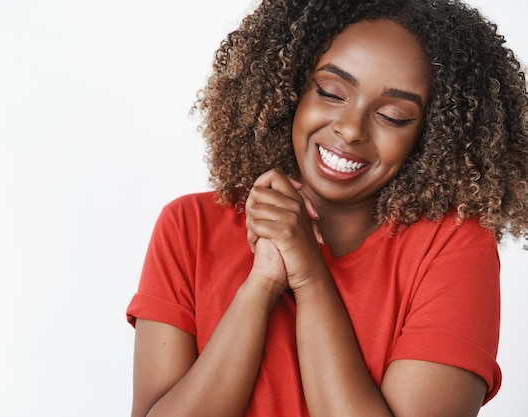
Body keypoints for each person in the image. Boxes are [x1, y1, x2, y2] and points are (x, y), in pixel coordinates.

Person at [126, 0, 528, 415]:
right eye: (331, 92)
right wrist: (261, 286)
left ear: (433, 136)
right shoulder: (189, 227)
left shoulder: (452, 250)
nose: (351, 129)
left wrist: (310, 275)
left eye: (392, 116)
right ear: (290, 87)